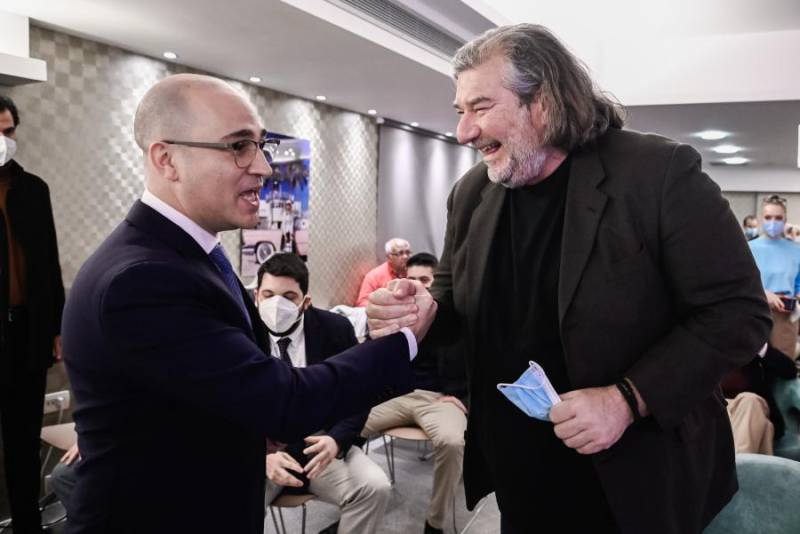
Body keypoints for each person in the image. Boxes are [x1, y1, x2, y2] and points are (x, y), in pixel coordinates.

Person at [367, 24, 770, 534]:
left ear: (544, 103)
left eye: (480, 107)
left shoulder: (659, 173)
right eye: (459, 111)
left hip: (636, 478)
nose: (464, 132)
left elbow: (738, 313)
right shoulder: (471, 193)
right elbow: (452, 298)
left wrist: (627, 399)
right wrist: (423, 312)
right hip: (521, 475)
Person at [61, 74, 436, 534]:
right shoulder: (142, 279)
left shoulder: (190, 257)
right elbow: (284, 400)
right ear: (166, 159)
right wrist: (401, 341)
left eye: (261, 146)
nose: (263, 167)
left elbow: (218, 392)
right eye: (238, 146)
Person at [257, 253, 390, 534]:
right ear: (256, 296)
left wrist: (336, 440)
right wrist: (258, 455)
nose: (276, 305)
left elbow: (358, 393)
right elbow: (226, 405)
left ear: (305, 301)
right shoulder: (241, 332)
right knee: (223, 505)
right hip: (263, 453)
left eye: (288, 297)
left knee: (374, 487)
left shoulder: (335, 329)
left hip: (319, 446)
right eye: (268, 295)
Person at [362, 252, 467, 534]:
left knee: (452, 442)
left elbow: (481, 363)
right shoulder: (399, 315)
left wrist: (466, 400)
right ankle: (354, 501)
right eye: (412, 279)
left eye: (425, 280)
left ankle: (435, 523)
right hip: (396, 396)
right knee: (344, 423)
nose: (418, 286)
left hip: (440, 399)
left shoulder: (457, 317)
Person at [0, 95, 65, 534]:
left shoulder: (33, 189)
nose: (3, 140)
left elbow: (48, 263)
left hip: (26, 330)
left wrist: (56, 329)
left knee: (23, 439)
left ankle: (27, 524)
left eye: (8, 131)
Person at [748, 195, 800, 360]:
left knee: (784, 364)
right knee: (753, 363)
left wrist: (797, 298)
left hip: (785, 314)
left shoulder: (796, 250)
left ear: (785, 221)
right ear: (761, 219)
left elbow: (798, 283)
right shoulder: (748, 249)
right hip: (755, 311)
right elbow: (740, 282)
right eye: (768, 217)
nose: (773, 222)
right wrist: (764, 293)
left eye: (778, 218)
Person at [355, 238, 411, 307]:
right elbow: (362, 303)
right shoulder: (374, 276)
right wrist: (383, 308)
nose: (405, 257)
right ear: (389, 257)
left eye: (408, 252)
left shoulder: (415, 273)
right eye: (400, 253)